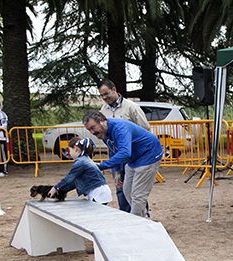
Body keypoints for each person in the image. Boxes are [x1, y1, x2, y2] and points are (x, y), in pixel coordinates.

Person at [83, 110, 163, 218]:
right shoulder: (104, 133)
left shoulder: (119, 128)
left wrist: (102, 166)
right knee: (127, 191)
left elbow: (125, 153)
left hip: (149, 155)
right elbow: (114, 150)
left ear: (102, 120)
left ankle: (137, 224)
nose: (92, 132)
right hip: (133, 159)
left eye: (93, 127)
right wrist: (116, 171)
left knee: (137, 195)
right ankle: (143, 219)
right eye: (89, 130)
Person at [98, 79, 151, 213]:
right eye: (102, 95)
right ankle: (126, 217)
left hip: (134, 155)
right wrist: (115, 169)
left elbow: (144, 128)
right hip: (117, 156)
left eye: (106, 93)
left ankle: (143, 218)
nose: (105, 97)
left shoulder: (131, 107)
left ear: (114, 90)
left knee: (136, 190)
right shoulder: (103, 111)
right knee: (120, 190)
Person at [48, 137, 112, 204]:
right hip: (100, 192)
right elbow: (74, 182)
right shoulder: (85, 159)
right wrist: (63, 189)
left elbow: (69, 178)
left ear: (75, 149)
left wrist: (55, 188)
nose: (69, 153)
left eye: (70, 150)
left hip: (98, 193)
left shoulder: (80, 162)